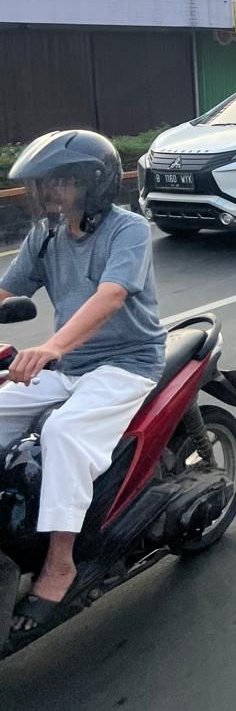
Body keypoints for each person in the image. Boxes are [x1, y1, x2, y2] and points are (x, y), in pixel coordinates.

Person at [0, 130, 165, 633]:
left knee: (63, 433)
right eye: (46, 183)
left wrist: (51, 347)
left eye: (64, 181)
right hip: (70, 366)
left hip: (125, 362)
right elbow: (6, 291)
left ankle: (60, 562)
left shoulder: (127, 230)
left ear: (94, 184)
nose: (51, 191)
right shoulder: (46, 235)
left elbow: (111, 296)